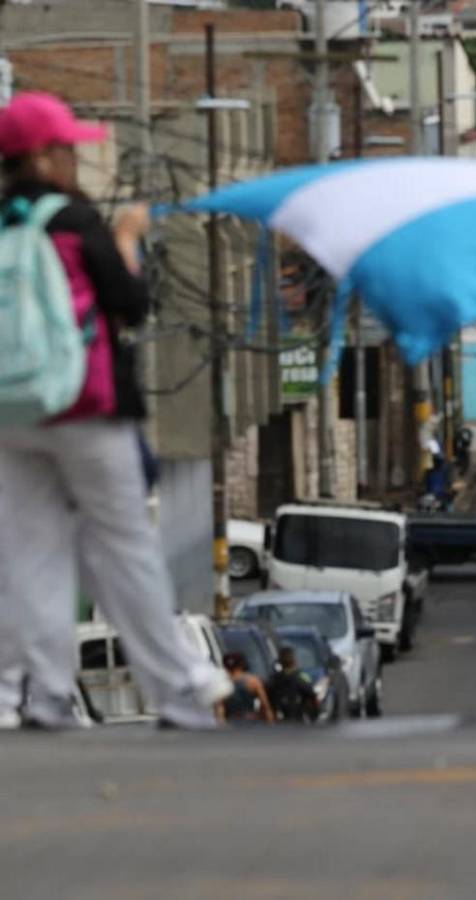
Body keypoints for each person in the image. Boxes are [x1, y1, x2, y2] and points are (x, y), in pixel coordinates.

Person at [0, 92, 232, 728]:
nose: (75, 158)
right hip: (86, 404)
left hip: (13, 411)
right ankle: (177, 688)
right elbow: (129, 303)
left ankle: (42, 696)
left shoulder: (4, 222)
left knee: (30, 554)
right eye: (68, 148)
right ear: (44, 156)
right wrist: (127, 237)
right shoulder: (74, 220)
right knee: (124, 546)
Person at [266, 646, 318, 724]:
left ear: (280, 662)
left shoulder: (273, 679)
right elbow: (313, 697)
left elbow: (266, 700)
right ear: (294, 661)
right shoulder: (302, 677)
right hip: (298, 721)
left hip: (278, 723)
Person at [220, 652, 273, 724]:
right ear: (241, 665)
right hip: (250, 721)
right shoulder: (253, 681)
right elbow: (265, 705)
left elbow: (220, 708)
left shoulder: (222, 683)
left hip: (231, 722)